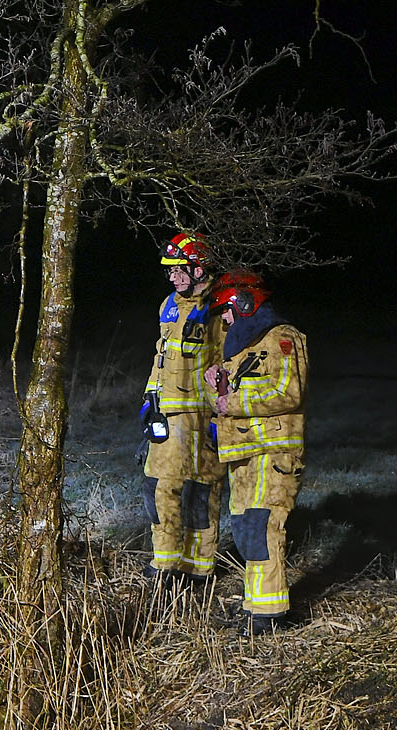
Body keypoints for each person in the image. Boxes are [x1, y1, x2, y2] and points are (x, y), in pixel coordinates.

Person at [205, 270, 307, 634]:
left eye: (227, 311)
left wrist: (229, 400)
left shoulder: (282, 337)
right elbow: (225, 403)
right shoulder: (237, 348)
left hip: (273, 452)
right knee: (247, 529)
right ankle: (256, 607)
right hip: (243, 453)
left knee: (265, 528)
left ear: (245, 303)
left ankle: (270, 615)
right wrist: (215, 385)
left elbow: (288, 391)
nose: (225, 319)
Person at [139, 231, 226, 588]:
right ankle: (165, 563)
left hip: (203, 418)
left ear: (199, 268)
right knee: (159, 486)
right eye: (169, 271)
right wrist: (148, 401)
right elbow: (160, 358)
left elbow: (225, 362)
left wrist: (224, 414)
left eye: (178, 270)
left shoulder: (217, 310)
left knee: (202, 492)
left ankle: (199, 568)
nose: (173, 278)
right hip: (168, 416)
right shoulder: (168, 305)